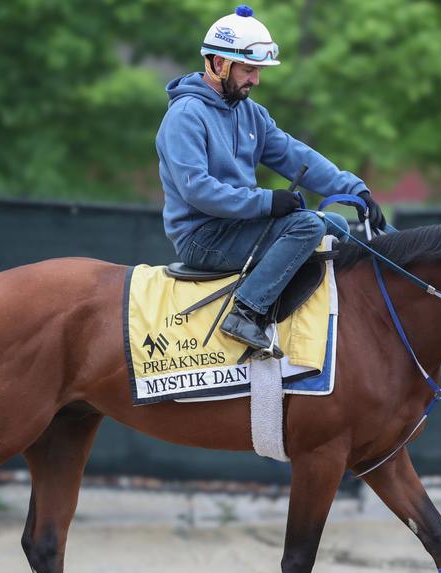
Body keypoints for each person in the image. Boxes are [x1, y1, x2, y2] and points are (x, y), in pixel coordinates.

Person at [155, 5, 385, 358]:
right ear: (218, 65)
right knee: (307, 227)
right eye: (249, 70)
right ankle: (244, 313)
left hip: (241, 226)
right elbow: (197, 190)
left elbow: (298, 156)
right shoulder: (184, 116)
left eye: (258, 70)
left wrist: (354, 190)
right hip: (202, 238)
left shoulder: (250, 113)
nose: (256, 80)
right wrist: (265, 202)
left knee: (336, 225)